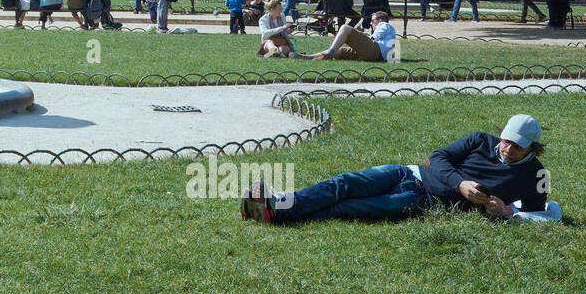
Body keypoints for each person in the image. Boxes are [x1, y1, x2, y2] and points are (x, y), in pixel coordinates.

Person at [241, 114, 562, 225]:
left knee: (350, 208)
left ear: (532, 148)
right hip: (410, 174)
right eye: (505, 140)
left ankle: (274, 212)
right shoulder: (480, 140)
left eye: (516, 146)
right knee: (344, 184)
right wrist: (462, 184)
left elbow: (546, 215)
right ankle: (280, 204)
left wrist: (508, 214)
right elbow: (436, 158)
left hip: (424, 201)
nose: (506, 148)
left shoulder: (536, 176)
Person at [309, 10, 397, 62]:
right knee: (341, 49)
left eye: (373, 20)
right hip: (374, 55)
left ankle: (330, 51)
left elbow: (375, 37)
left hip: (375, 51)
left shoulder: (385, 25)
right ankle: (309, 57)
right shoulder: (388, 29)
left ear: (380, 20)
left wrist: (361, 36)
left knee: (345, 27)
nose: (371, 23)